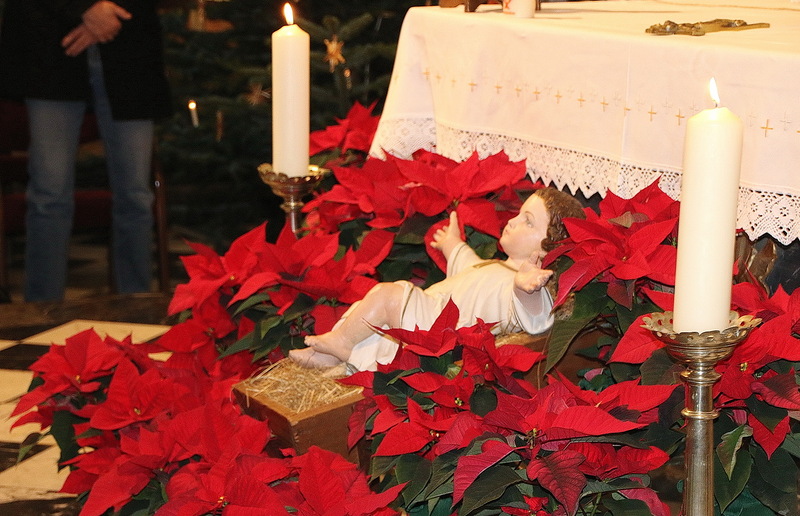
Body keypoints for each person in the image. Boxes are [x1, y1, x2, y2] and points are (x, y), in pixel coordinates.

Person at [290, 187, 586, 372]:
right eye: (519, 214)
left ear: (547, 248)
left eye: (528, 222)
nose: (512, 221)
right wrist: (452, 243)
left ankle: (343, 343)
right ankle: (332, 356)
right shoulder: (495, 266)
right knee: (366, 310)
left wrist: (526, 289)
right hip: (430, 309)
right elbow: (468, 266)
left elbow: (534, 317)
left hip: (438, 330)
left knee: (387, 295)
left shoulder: (518, 284)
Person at [0, 0, 172, 301]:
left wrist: (107, 15)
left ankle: (136, 306)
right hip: (49, 47)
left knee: (135, 197)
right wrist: (86, 8)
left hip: (129, 50)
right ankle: (43, 309)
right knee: (49, 196)